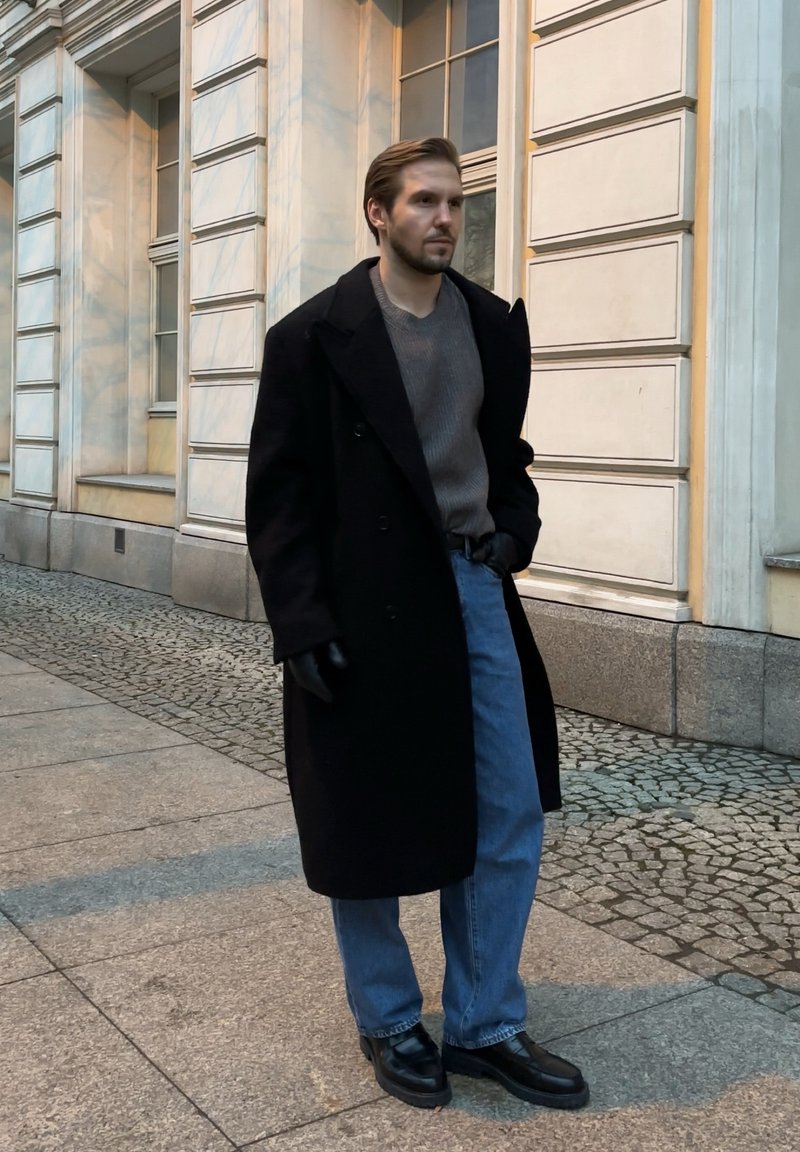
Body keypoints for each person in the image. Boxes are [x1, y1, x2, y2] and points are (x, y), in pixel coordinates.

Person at [245, 137, 589, 1111]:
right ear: (378, 213)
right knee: (364, 813)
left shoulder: (487, 325)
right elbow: (278, 496)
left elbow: (505, 457)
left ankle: (483, 1022)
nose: (444, 219)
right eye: (424, 202)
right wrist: (299, 621)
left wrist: (513, 531)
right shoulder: (312, 338)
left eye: (455, 203)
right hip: (363, 599)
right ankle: (390, 1016)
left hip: (474, 588)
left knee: (507, 807)